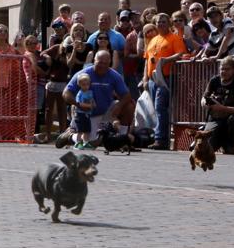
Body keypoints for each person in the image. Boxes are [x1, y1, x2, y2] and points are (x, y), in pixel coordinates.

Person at [59, 51, 131, 148]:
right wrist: (78, 104)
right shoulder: (83, 74)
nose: (102, 66)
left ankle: (122, 139)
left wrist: (119, 105)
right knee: (91, 142)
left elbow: (126, 95)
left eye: (105, 63)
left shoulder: (114, 75)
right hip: (87, 113)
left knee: (129, 105)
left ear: (109, 63)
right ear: (94, 60)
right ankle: (70, 136)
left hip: (106, 110)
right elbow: (66, 93)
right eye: (100, 62)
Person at [142, 13, 187, 150]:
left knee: (160, 107)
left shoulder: (175, 38)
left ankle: (161, 139)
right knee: (155, 109)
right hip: (152, 79)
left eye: (164, 22)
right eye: (158, 22)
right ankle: (158, 136)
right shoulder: (153, 39)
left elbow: (180, 53)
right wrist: (145, 78)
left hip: (166, 77)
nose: (161, 24)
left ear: (169, 23)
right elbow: (147, 60)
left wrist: (167, 60)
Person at [200, 56, 234, 155]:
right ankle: (217, 141)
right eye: (222, 69)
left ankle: (229, 145)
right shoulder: (214, 81)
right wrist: (204, 103)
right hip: (215, 118)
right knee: (205, 148)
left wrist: (223, 109)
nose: (223, 71)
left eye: (227, 69)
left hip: (230, 119)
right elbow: (204, 97)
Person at [71, 72, 96, 149]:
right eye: (83, 85)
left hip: (87, 114)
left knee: (87, 130)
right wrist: (88, 105)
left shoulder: (90, 92)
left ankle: (86, 142)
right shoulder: (80, 93)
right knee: (80, 130)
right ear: (80, 85)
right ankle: (78, 143)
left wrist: (94, 104)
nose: (86, 86)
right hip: (80, 114)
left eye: (87, 84)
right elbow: (78, 103)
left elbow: (92, 100)